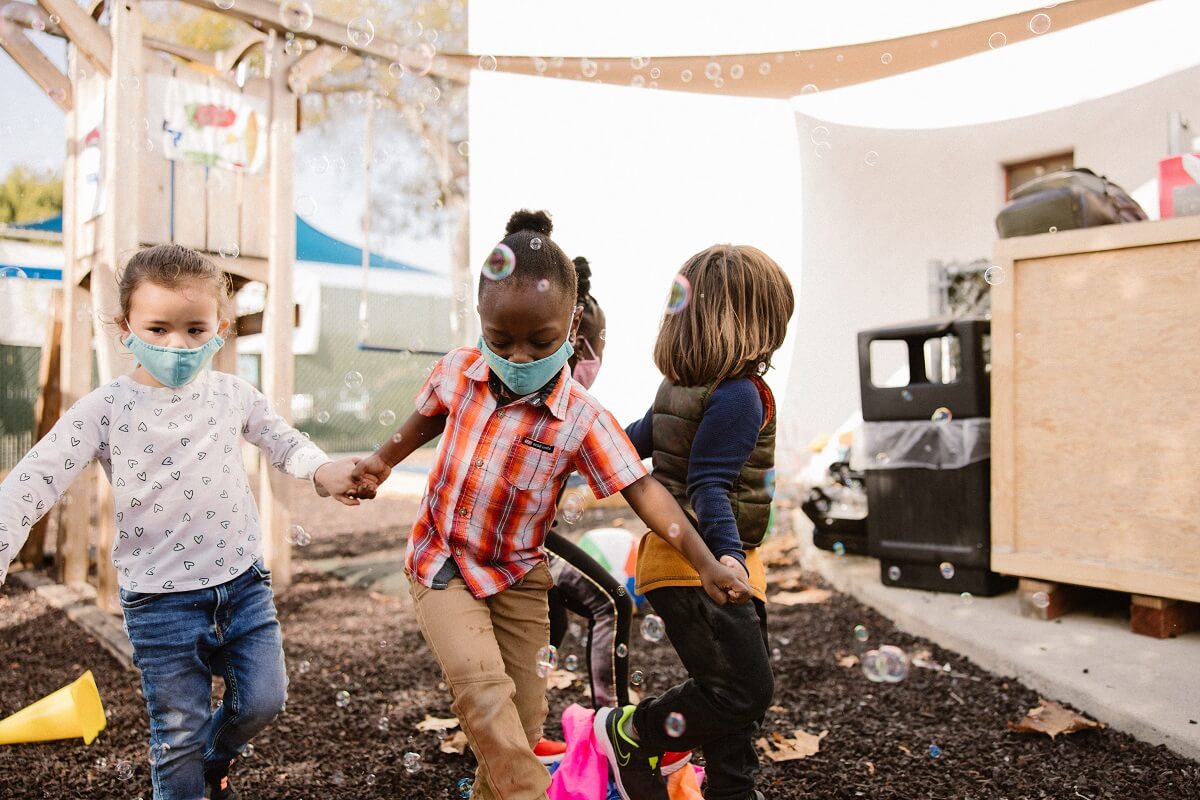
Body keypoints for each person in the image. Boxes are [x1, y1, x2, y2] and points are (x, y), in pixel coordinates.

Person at [349, 211, 751, 800]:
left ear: (571, 329)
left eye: (540, 341)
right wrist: (382, 462)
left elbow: (644, 490)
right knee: (482, 691)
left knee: (522, 718)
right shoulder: (459, 370)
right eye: (500, 338)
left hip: (518, 577)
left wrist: (707, 559)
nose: (517, 354)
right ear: (480, 323)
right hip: (441, 563)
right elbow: (425, 417)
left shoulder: (582, 418)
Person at [0, 244, 363, 800]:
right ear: (127, 329)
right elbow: (36, 478)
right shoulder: (106, 408)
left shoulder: (232, 393)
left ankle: (215, 759)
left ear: (218, 326)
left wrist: (321, 470)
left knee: (264, 700)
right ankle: (192, 776)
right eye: (159, 329)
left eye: (195, 329)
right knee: (177, 737)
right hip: (159, 602)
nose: (178, 344)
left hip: (241, 586)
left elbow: (280, 439)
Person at [594, 245, 794, 800]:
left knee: (731, 692)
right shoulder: (740, 396)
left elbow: (627, 445)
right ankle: (631, 731)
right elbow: (711, 484)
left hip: (692, 560)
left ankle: (734, 791)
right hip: (703, 566)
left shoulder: (679, 390)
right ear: (757, 321)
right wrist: (727, 558)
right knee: (744, 693)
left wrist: (569, 460)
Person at [539, 256, 692, 776]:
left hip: (530, 532)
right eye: (599, 348)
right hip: (520, 538)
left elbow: (614, 449)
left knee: (552, 615)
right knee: (613, 604)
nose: (600, 358)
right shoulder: (559, 393)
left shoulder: (562, 393)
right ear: (582, 344)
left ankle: (517, 729)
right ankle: (618, 732)